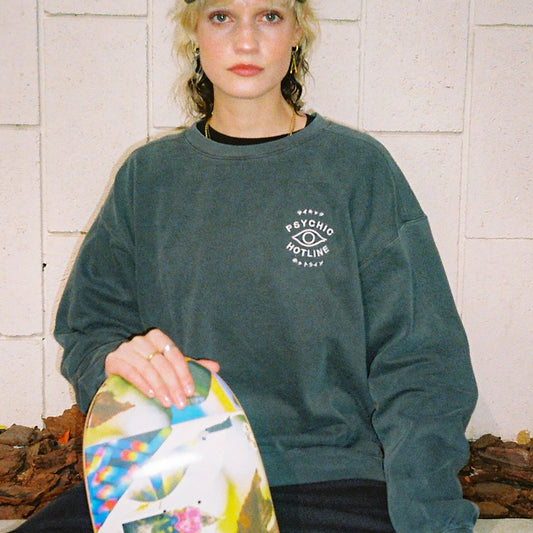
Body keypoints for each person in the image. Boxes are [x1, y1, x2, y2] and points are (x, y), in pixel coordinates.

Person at [13, 0, 479, 532]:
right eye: (221, 16)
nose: (246, 40)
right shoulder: (149, 177)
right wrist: (115, 362)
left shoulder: (356, 169)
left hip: (330, 482)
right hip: (170, 477)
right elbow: (90, 331)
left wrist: (430, 520)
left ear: (298, 30)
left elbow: (422, 362)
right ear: (193, 30)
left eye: (270, 16)